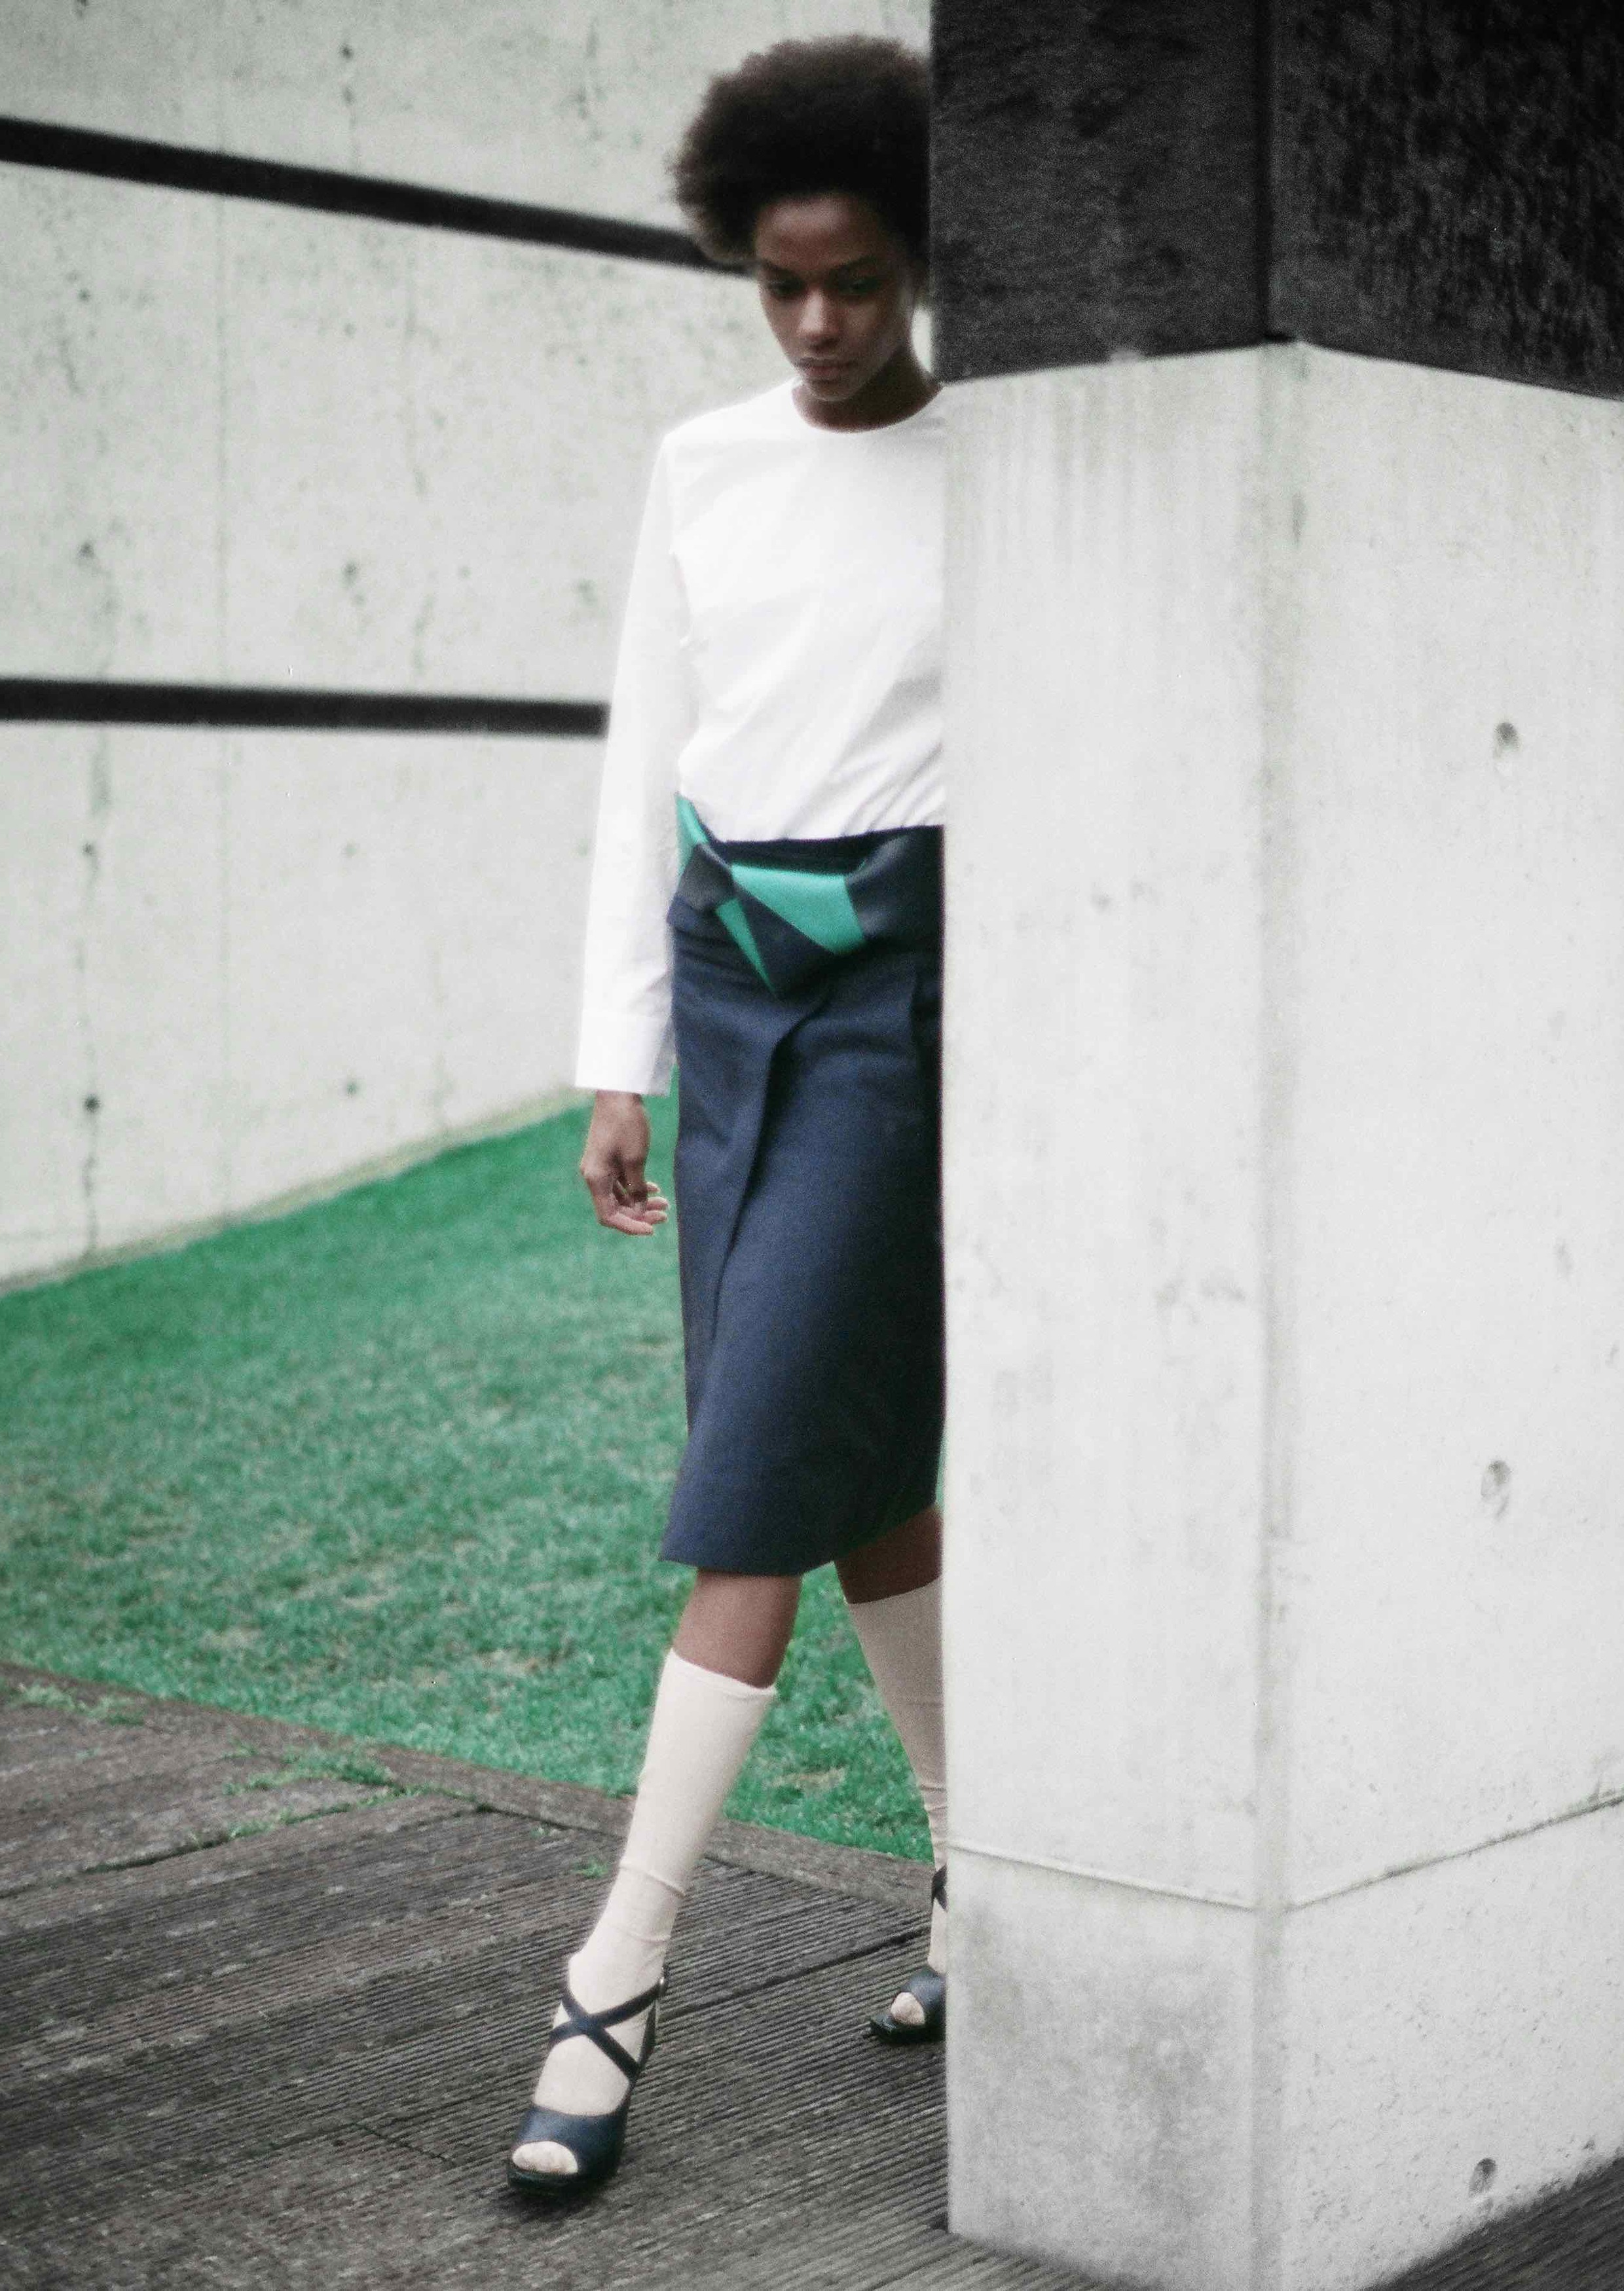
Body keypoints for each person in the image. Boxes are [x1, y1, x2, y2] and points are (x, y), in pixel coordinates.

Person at [509, 34, 948, 2196]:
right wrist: (620, 1050)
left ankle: (620, 1968)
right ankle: (990, 1884)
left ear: (915, 258)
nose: (814, 323)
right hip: (724, 987)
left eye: (853, 281)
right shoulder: (702, 462)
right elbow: (642, 756)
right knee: (856, 1481)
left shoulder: (1006, 459)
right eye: (778, 285)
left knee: (752, 1481)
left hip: (907, 997)